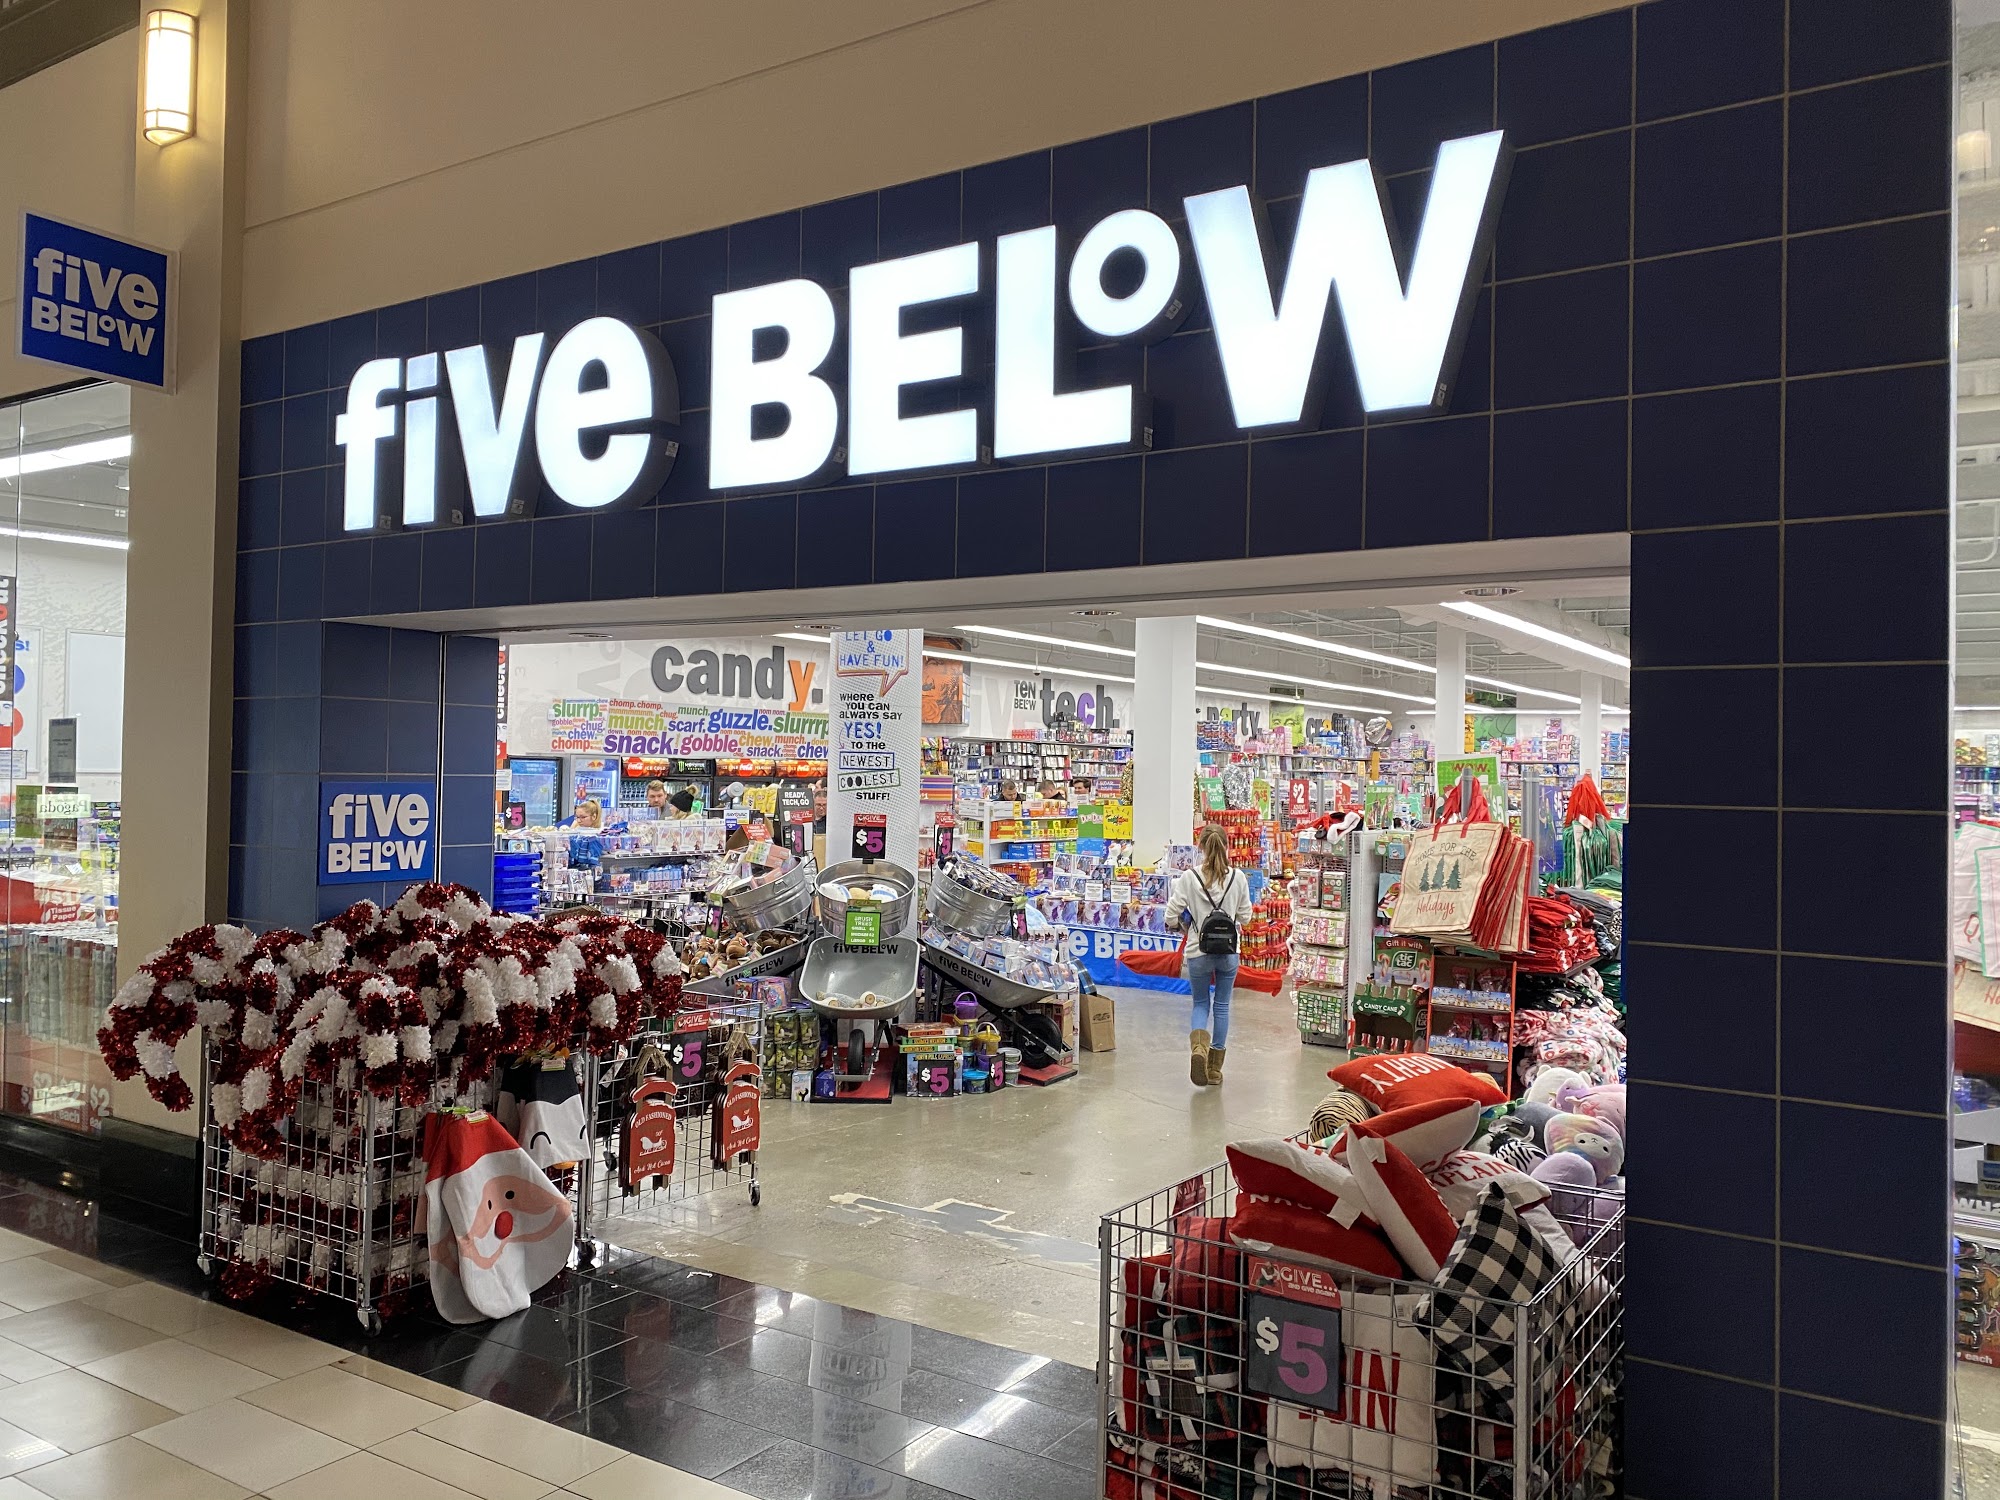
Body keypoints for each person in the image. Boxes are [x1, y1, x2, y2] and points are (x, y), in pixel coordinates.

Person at [1165, 824, 1253, 1087]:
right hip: (1229, 952)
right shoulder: (1238, 877)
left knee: (1200, 1004)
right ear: (1226, 846)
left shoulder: (1189, 877)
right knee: (1222, 1006)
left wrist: (1183, 925)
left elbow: (1170, 915)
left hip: (1198, 950)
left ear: (1200, 847)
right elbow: (1246, 918)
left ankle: (1198, 1049)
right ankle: (1214, 1070)